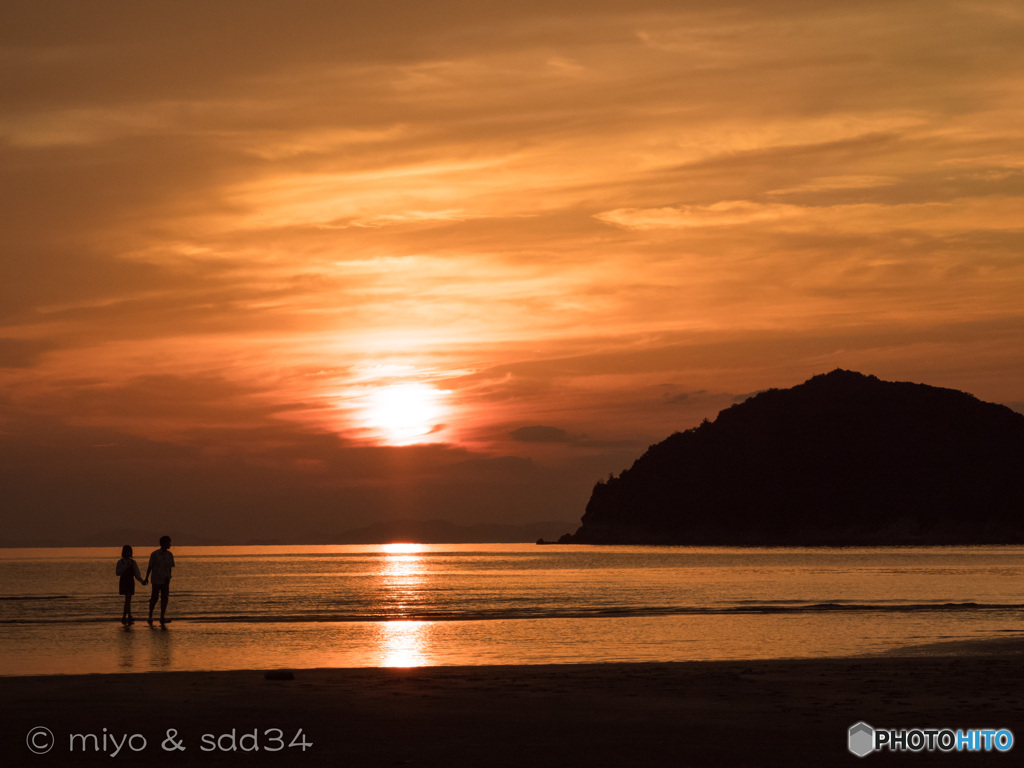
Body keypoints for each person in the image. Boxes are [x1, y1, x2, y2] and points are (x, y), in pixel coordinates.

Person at [144, 535, 175, 627]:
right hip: (156, 579)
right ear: (163, 543)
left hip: (165, 579)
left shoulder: (170, 555)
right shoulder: (155, 554)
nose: (170, 544)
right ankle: (150, 616)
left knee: (165, 598)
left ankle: (162, 616)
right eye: (168, 542)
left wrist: (169, 577)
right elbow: (150, 567)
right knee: (154, 597)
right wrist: (146, 578)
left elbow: (170, 568)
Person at [115, 545, 144, 625]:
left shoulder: (133, 562)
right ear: (124, 552)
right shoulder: (120, 562)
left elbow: (137, 574)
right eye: (127, 551)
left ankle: (126, 616)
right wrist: (125, 566)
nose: (128, 553)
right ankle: (126, 616)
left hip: (130, 581)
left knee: (128, 600)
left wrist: (142, 581)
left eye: (130, 551)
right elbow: (118, 573)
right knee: (127, 600)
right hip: (124, 581)